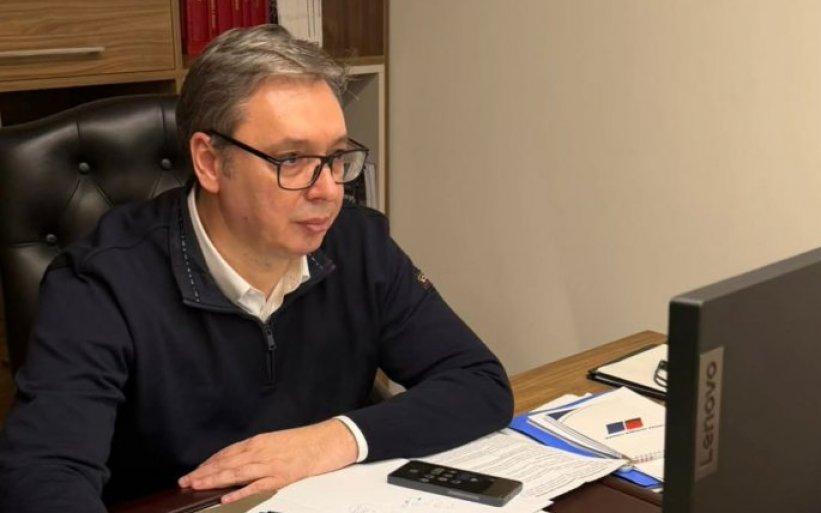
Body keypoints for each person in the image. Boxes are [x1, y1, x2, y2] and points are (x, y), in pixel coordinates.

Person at [0, 25, 513, 512]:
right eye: (292, 160)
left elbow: (478, 382)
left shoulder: (358, 243)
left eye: (336, 157)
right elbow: (44, 475)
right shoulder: (101, 282)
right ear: (209, 162)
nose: (329, 190)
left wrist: (334, 439)